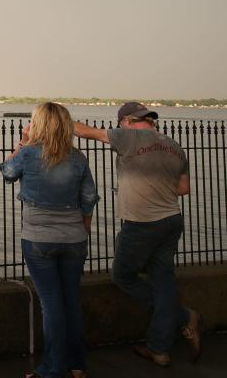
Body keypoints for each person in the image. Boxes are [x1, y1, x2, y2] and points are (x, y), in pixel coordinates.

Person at [74, 101, 202, 366]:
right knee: (163, 281)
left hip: (142, 223)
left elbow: (85, 132)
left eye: (120, 124)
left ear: (126, 121)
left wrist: (53, 118)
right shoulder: (173, 145)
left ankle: (181, 317)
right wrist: (156, 187)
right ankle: (159, 349)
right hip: (171, 220)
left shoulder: (128, 136)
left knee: (122, 275)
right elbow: (183, 188)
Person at [0, 102, 99, 378]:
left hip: (39, 239)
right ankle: (77, 364)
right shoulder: (78, 158)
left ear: (39, 124)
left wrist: (22, 141)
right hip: (74, 239)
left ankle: (53, 368)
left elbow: (7, 172)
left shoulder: (29, 154)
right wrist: (84, 230)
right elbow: (89, 197)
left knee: (51, 303)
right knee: (70, 300)